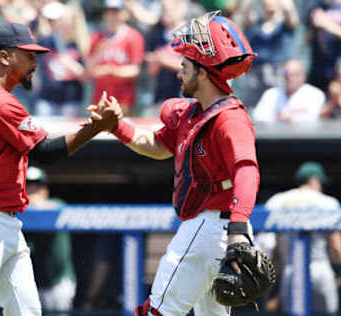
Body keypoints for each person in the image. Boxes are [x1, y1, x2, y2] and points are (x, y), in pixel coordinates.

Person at [0, 22, 120, 316]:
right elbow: (45, 152)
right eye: (29, 55)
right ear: (5, 57)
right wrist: (96, 127)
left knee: (26, 310)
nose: (36, 63)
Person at [91, 11, 260, 316]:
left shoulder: (229, 117)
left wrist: (237, 229)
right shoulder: (193, 112)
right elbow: (158, 146)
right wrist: (117, 126)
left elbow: (246, 171)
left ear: (204, 72)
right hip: (217, 229)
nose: (179, 72)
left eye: (185, 66)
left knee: (158, 311)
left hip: (211, 226)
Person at [264, 162, 341, 314]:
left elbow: (272, 249)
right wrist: (339, 272)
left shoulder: (277, 201)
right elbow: (336, 248)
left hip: (291, 269)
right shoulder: (327, 202)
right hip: (320, 269)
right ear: (315, 180)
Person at [24, 166, 76, 312]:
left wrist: (35, 206)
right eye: (28, 186)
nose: (32, 191)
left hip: (59, 282)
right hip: (32, 283)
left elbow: (58, 208)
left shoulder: (57, 204)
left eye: (36, 187)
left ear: (45, 190)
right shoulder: (17, 211)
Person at [85, 0, 145, 116]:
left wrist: (112, 70)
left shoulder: (133, 36)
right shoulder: (96, 37)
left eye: (116, 12)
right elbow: (89, 70)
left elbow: (135, 69)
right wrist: (98, 54)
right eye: (108, 12)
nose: (112, 16)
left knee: (122, 131)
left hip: (124, 100)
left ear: (124, 14)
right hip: (100, 99)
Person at [252, 59, 326, 123]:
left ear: (303, 75)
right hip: (275, 137)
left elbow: (315, 119)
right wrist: (278, 118)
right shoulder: (271, 94)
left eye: (295, 74)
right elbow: (258, 117)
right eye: (287, 74)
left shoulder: (315, 94)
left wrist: (291, 119)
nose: (290, 78)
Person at [306, 0, 341, 91]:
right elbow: (306, 41)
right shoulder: (315, 7)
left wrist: (326, 24)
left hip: (340, 70)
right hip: (317, 70)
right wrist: (314, 27)